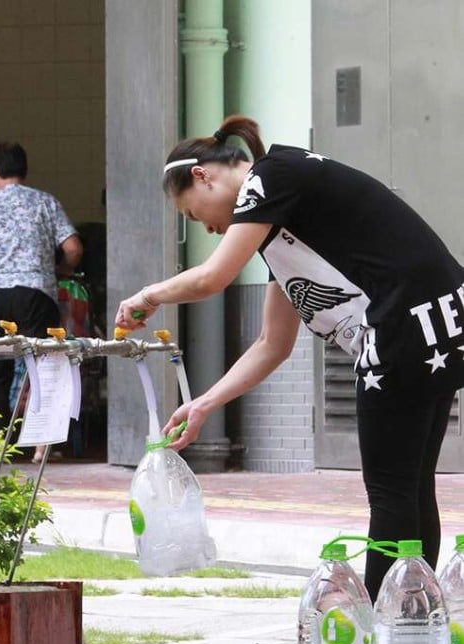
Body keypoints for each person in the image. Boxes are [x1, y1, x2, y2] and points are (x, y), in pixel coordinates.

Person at [115, 115, 464, 601]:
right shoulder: (282, 222)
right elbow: (271, 345)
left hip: (403, 326)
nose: (211, 229)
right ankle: (413, 613)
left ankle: (383, 625)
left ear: (203, 176)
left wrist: (148, 295)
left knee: (390, 492)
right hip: (437, 322)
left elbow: (213, 278)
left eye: (195, 216)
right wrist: (204, 404)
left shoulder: (271, 176)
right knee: (409, 486)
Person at [0, 141, 83, 441]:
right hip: (35, 293)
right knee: (45, 364)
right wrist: (62, 271)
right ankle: (42, 443)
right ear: (24, 170)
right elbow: (73, 248)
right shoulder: (45, 202)